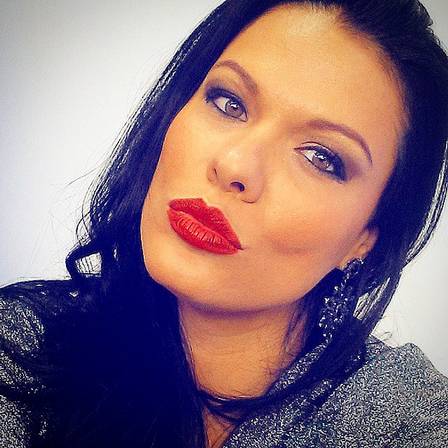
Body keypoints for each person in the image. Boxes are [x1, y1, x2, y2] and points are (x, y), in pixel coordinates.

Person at [1, 0, 448, 446]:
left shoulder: (407, 420)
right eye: (228, 102)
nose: (234, 164)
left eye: (320, 157)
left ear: (365, 238)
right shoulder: (22, 343)